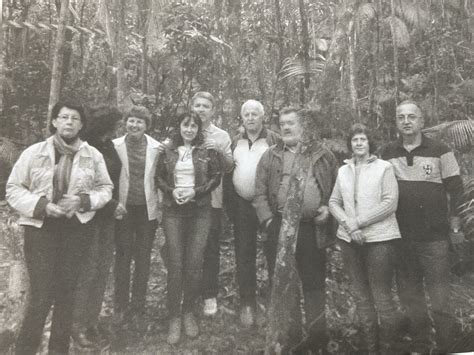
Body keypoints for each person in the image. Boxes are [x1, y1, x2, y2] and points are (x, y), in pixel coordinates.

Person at [6, 101, 113, 355]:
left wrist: (83, 201)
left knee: (67, 295)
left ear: (82, 125)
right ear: (54, 122)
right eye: (63, 117)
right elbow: (13, 188)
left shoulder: (92, 155)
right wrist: (41, 205)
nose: (68, 122)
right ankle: (25, 350)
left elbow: (105, 188)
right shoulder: (35, 152)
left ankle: (58, 350)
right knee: (41, 296)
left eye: (74, 118)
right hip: (41, 229)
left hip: (76, 229)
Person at [381, 100, 464, 352]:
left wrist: (455, 227)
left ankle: (446, 347)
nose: (406, 121)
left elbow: (456, 189)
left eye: (411, 117)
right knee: (411, 297)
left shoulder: (440, 150)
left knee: (440, 299)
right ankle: (421, 345)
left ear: (421, 121)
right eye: (401, 117)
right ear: (396, 122)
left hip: (435, 239)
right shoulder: (387, 152)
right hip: (401, 238)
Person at [253, 107, 338, 352]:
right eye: (282, 124)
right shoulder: (270, 155)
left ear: (303, 126)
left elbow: (335, 187)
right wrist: (269, 220)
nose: (286, 127)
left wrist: (326, 208)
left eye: (291, 123)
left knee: (314, 283)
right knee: (283, 283)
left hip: (313, 229)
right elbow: (259, 192)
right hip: (280, 227)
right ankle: (291, 338)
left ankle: (317, 338)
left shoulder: (322, 155)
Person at [329, 123, 404, 352]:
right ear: (350, 144)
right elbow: (333, 202)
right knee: (361, 296)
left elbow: (390, 203)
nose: (359, 143)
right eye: (355, 140)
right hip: (349, 240)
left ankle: (389, 348)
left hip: (380, 240)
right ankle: (369, 348)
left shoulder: (384, 168)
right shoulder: (343, 170)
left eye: (363, 139)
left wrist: (358, 223)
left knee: (381, 296)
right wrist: (349, 226)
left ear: (370, 143)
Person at [156, 112, 222, 344]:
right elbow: (158, 178)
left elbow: (216, 176)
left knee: (194, 264)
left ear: (199, 129)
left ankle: (188, 313)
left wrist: (197, 192)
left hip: (200, 211)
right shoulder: (167, 150)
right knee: (176, 264)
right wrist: (171, 191)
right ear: (179, 127)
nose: (190, 129)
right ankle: (174, 316)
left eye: (194, 126)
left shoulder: (207, 150)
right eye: (186, 125)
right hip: (173, 211)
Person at [71, 105, 123, 349]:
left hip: (108, 217)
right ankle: (77, 324)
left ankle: (92, 321)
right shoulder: (85, 147)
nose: (117, 128)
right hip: (88, 217)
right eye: (114, 124)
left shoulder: (109, 145)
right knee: (87, 270)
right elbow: (84, 185)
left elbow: (112, 180)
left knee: (102, 269)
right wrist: (112, 204)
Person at [225, 99, 280, 327]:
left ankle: (276, 302)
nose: (250, 118)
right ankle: (248, 303)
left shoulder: (274, 139)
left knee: (273, 251)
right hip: (242, 205)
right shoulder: (236, 141)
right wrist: (230, 206)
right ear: (242, 117)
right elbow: (228, 173)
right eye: (246, 114)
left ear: (262, 116)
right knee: (244, 252)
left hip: (268, 205)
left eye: (254, 114)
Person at [113, 105, 162, 318]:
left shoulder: (156, 148)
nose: (134, 124)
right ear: (125, 123)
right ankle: (120, 305)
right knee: (123, 257)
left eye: (139, 121)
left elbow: (160, 178)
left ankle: (138, 306)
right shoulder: (115, 146)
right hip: (123, 209)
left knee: (143, 257)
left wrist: (160, 206)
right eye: (131, 120)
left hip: (146, 210)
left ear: (146, 125)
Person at [191, 91, 233, 316]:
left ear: (212, 110)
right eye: (197, 105)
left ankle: (209, 295)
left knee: (210, 249)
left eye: (206, 106)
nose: (201, 109)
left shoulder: (221, 136)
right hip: (185, 202)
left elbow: (229, 167)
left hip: (212, 202)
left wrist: (217, 150)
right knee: (186, 248)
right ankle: (188, 293)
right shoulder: (184, 128)